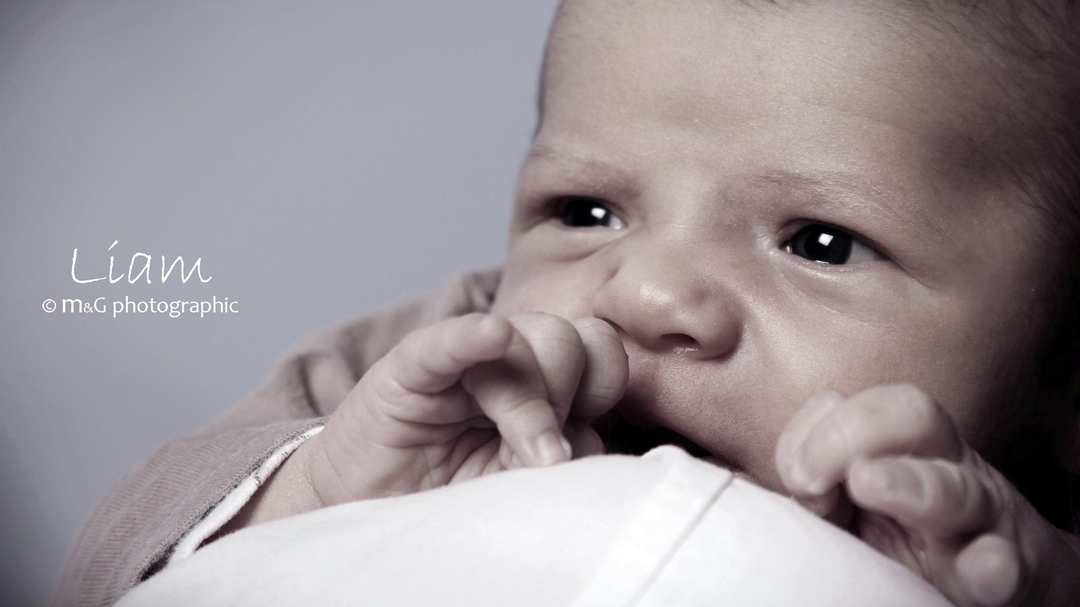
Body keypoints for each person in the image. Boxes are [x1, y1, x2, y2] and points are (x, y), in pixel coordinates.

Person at [55, 0, 1080, 605]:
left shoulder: (1009, 515)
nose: (646, 291)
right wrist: (314, 486)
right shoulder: (443, 365)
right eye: (585, 209)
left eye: (820, 242)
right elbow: (108, 563)